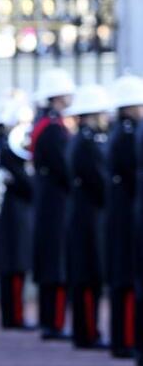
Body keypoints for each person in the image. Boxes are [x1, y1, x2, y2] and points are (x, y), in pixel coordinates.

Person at [64, 86, 111, 350]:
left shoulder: (81, 139)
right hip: (88, 216)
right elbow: (98, 180)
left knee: (86, 276)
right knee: (87, 276)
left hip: (83, 214)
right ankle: (87, 332)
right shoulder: (87, 142)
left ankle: (87, 330)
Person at [31, 69, 76, 341]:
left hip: (48, 198)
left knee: (50, 259)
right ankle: (54, 322)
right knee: (55, 262)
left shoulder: (45, 124)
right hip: (56, 200)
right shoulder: (54, 128)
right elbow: (64, 166)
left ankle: (50, 319)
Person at [105, 76, 143, 359]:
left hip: (122, 210)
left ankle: (126, 339)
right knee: (127, 279)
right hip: (127, 211)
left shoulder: (122, 131)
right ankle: (126, 340)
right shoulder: (129, 134)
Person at [0, 99, 36, 330]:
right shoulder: (9, 149)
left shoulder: (0, 146)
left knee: (9, 269)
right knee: (15, 266)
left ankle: (10, 315)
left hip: (5, 213)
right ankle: (14, 316)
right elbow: (27, 185)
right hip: (14, 213)